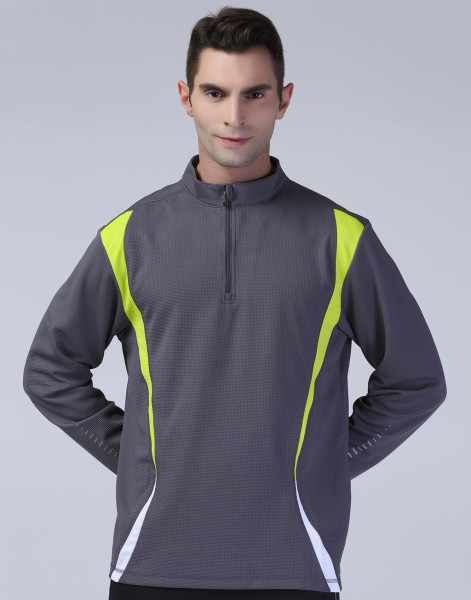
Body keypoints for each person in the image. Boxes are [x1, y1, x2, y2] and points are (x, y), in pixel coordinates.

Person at [22, 6, 447, 600]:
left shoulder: (341, 239)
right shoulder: (130, 237)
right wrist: (140, 457)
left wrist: (325, 461)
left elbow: (417, 380)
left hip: (294, 564)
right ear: (186, 97)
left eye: (255, 94)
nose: (234, 116)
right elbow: (49, 369)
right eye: (215, 93)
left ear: (284, 100)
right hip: (153, 564)